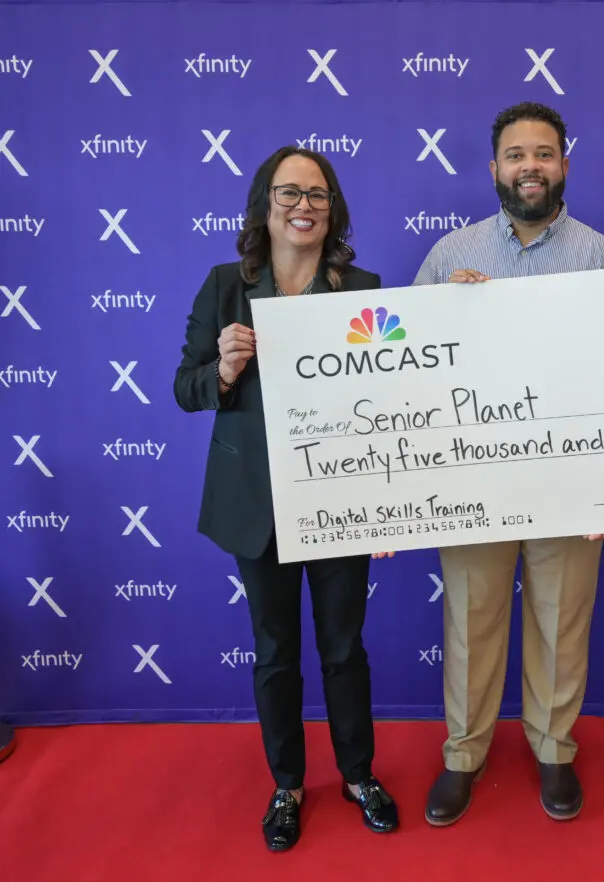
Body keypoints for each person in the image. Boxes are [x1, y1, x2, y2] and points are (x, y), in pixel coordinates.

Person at [173, 146, 399, 852]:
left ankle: (359, 775)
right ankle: (288, 786)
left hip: (340, 501)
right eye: (289, 192)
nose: (304, 205)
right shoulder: (223, 287)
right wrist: (226, 369)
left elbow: (391, 395)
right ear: (264, 205)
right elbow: (185, 388)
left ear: (333, 211)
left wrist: (398, 498)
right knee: (274, 652)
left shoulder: (363, 288)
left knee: (343, 649)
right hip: (257, 506)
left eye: (318, 195)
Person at [411, 101, 604, 826]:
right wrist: (448, 314)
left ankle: (555, 749)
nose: (529, 166)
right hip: (477, 477)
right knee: (471, 621)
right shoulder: (449, 256)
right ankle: (464, 754)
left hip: (570, 479)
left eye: (543, 153)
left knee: (562, 618)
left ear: (564, 163)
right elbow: (407, 372)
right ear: (493, 168)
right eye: (515, 155)